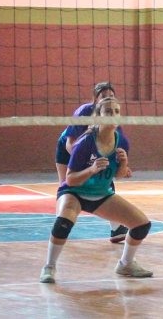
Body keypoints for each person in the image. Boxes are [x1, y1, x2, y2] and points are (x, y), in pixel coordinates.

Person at [40, 96, 153, 284]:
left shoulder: (121, 142)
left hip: (101, 194)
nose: (113, 115)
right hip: (74, 192)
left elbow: (119, 174)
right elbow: (70, 178)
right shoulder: (85, 143)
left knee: (141, 224)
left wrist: (124, 163)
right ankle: (49, 266)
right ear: (98, 117)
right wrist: (91, 169)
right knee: (63, 222)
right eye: (108, 111)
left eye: (116, 112)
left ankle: (125, 264)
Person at [54, 81, 128, 243]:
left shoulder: (112, 114)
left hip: (92, 150)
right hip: (70, 149)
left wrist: (123, 164)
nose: (107, 99)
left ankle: (117, 229)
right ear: (95, 99)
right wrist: (85, 161)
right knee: (67, 187)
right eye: (103, 96)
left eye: (111, 96)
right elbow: (70, 143)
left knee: (105, 182)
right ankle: (60, 227)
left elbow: (117, 143)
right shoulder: (83, 112)